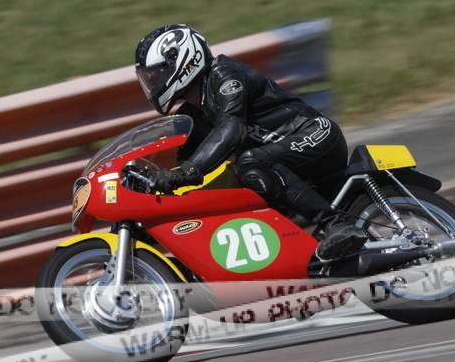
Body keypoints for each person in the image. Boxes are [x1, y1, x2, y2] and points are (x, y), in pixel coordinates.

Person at [134, 23, 367, 261]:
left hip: (316, 135)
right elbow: (188, 167)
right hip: (282, 161)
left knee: (249, 163)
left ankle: (336, 224)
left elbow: (230, 128)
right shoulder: (192, 114)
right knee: (239, 187)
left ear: (183, 61)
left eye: (159, 74)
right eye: (149, 79)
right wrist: (156, 190)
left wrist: (186, 172)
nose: (154, 84)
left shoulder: (226, 76)